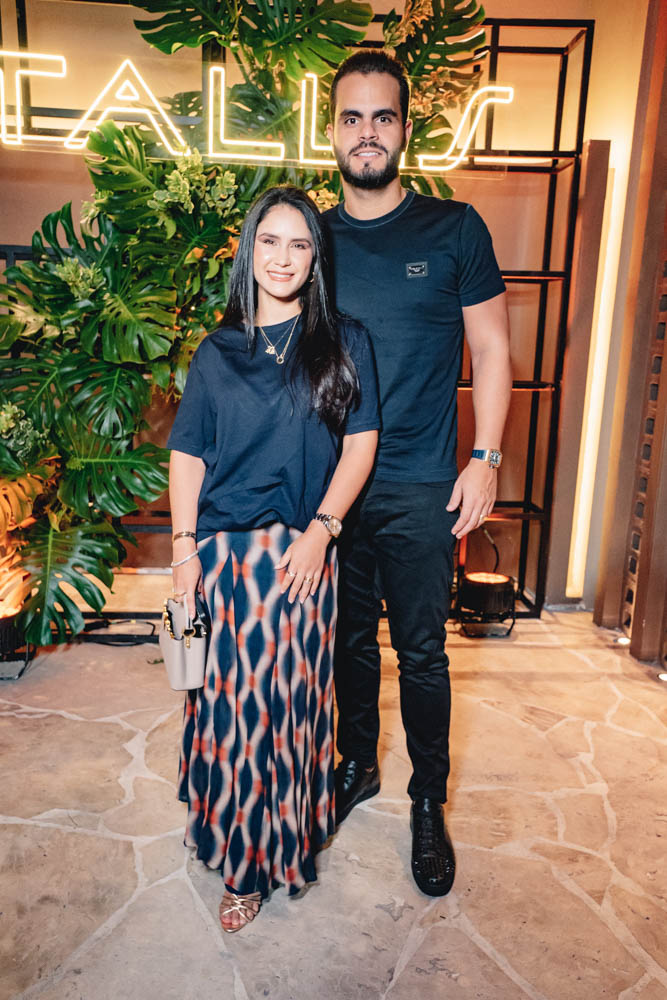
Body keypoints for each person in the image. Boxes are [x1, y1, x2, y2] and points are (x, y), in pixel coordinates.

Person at [323, 50, 512, 897]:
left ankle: (427, 801)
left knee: (423, 653)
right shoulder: (310, 238)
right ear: (332, 130)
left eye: (382, 116)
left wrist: (485, 458)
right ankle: (356, 764)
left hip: (421, 481)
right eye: (351, 117)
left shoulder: (453, 228)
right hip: (330, 485)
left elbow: (492, 350)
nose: (367, 132)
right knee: (345, 642)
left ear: (405, 128)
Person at [167, 185, 379, 932]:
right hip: (222, 560)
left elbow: (360, 446)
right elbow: (188, 454)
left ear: (315, 258)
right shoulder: (218, 350)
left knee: (279, 713)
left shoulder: (343, 341)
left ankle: (258, 854)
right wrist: (183, 550)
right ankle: (229, 832)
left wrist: (322, 531)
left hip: (299, 560)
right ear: (248, 250)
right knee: (224, 710)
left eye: (299, 244)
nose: (282, 258)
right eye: (269, 241)